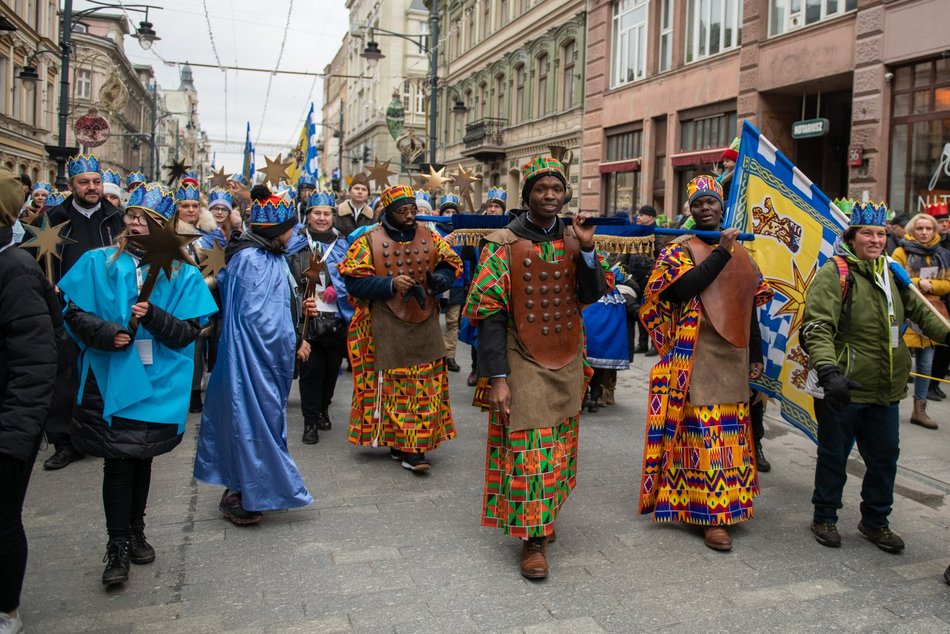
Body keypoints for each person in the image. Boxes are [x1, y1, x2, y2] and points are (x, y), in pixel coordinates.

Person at [58, 182, 217, 586]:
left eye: (143, 219)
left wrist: (154, 317)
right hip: (111, 377)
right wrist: (108, 332)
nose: (133, 223)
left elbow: (188, 331)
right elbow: (73, 314)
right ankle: (117, 544)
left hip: (158, 381)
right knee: (118, 460)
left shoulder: (183, 273)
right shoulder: (97, 262)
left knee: (142, 457)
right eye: (130, 215)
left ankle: (136, 531)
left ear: (163, 227)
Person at [463, 157, 608, 579]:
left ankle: (545, 516)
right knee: (530, 451)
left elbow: (592, 294)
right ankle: (533, 540)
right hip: (521, 359)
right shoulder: (502, 243)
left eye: (556, 189)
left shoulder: (575, 237)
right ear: (527, 195)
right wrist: (498, 378)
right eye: (541, 189)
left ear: (565, 194)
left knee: (559, 447)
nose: (549, 196)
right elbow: (490, 315)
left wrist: (588, 249)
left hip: (567, 357)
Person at [803, 201, 950, 553]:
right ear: (851, 237)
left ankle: (875, 521)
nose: (875, 240)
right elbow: (818, 327)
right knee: (834, 457)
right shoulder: (834, 273)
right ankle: (824, 517)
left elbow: (922, 313)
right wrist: (829, 371)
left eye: (881, 234)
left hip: (886, 389)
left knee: (884, 461)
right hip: (845, 387)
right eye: (867, 233)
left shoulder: (893, 272)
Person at [638, 175, 772, 552]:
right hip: (695, 352)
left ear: (722, 205)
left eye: (711, 201)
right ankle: (711, 516)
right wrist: (722, 252)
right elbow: (683, 289)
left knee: (732, 435)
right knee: (703, 434)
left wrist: (756, 355)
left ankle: (731, 505)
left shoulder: (742, 250)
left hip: (734, 352)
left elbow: (748, 306)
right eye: (697, 204)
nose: (705, 208)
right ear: (690, 210)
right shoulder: (679, 248)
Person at [194, 193, 315, 525]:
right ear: (276, 230)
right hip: (252, 361)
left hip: (263, 360)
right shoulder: (252, 259)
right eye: (289, 228)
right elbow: (260, 319)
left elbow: (278, 307)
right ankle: (240, 492)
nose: (294, 233)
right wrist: (292, 342)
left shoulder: (268, 255)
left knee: (260, 423)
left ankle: (255, 487)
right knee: (249, 422)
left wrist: (297, 323)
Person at [339, 184, 462, 472]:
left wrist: (442, 278)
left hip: (424, 322)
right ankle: (401, 444)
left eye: (412, 210)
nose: (409, 216)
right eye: (402, 211)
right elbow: (353, 282)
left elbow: (449, 264)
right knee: (394, 389)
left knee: (425, 388)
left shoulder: (430, 236)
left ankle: (415, 448)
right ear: (389, 212)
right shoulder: (368, 241)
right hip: (384, 327)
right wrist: (390, 284)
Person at [0, 169, 64, 633]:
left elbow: (36, 361)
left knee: (2, 522)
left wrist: (14, 437)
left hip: (7, 428)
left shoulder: (16, 270)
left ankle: (6, 609)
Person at [36, 154, 125, 472]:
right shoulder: (51, 220)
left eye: (96, 182)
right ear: (72, 185)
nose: (91, 187)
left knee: (105, 372)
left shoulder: (118, 220)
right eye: (84, 182)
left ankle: (104, 433)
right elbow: (36, 265)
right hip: (65, 310)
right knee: (65, 376)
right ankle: (65, 442)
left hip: (106, 312)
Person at [288, 190, 352, 444]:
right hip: (308, 319)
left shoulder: (343, 244)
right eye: (317, 213)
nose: (322, 218)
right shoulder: (295, 244)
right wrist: (300, 301)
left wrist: (338, 288)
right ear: (308, 215)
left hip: (336, 318)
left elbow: (352, 276)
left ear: (333, 216)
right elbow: (287, 278)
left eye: (326, 213)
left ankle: (324, 408)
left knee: (331, 370)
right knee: (311, 371)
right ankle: (310, 421)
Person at [890, 213, 950, 430]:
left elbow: (947, 283)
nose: (924, 232)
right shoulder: (900, 252)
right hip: (905, 312)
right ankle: (890, 407)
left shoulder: (942, 254)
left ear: (935, 231)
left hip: (932, 312)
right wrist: (917, 282)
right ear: (912, 230)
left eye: (928, 228)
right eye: (920, 228)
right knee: (897, 364)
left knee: (925, 365)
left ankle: (920, 410)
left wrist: (931, 285)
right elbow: (893, 277)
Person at [437, 193, 465, 373]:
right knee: (432, 320)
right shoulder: (433, 232)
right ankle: (435, 354)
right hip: (438, 282)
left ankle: (450, 355)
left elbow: (467, 258)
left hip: (457, 283)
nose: (449, 215)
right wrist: (441, 242)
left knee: (453, 321)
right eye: (446, 212)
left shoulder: (462, 232)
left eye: (453, 212)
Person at [625, 204, 659, 355]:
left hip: (649, 279)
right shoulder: (637, 232)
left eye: (642, 215)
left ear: (650, 217)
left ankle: (655, 345)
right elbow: (628, 252)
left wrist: (650, 274)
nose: (638, 217)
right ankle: (642, 343)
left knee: (652, 312)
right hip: (635, 279)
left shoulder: (657, 233)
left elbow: (661, 257)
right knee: (639, 311)